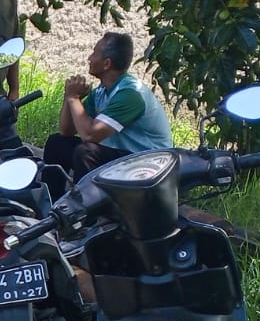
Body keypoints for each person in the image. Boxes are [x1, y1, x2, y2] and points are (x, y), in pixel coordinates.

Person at [42, 32, 173, 197]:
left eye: (94, 53)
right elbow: (67, 131)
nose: (89, 58)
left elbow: (90, 135)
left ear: (107, 64)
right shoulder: (101, 92)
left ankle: (82, 212)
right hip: (124, 158)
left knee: (86, 152)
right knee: (57, 143)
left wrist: (74, 98)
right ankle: (51, 205)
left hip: (148, 165)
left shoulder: (130, 94)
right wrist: (69, 98)